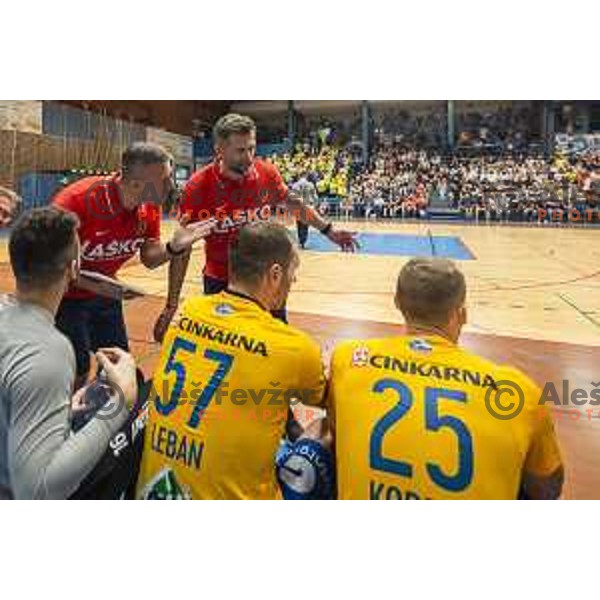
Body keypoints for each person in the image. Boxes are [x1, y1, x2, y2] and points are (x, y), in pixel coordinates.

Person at [327, 257, 564, 500]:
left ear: (397, 303)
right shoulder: (518, 390)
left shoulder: (347, 359)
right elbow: (547, 490)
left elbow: (336, 436)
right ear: (462, 314)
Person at [136, 222, 326, 499]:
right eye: (292, 272)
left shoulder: (187, 311)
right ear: (275, 274)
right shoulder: (293, 347)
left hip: (157, 491)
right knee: (322, 433)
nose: (293, 281)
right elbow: (329, 399)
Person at [153, 113, 358, 340]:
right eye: (241, 151)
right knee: (225, 347)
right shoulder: (198, 187)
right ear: (219, 149)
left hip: (264, 279)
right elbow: (183, 248)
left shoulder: (266, 173)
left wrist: (328, 230)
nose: (249, 157)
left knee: (274, 342)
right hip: (221, 280)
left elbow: (293, 203)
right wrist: (171, 305)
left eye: (252, 148)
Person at [52, 142, 215, 388]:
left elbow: (150, 258)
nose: (173, 186)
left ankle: (106, 417)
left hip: (105, 292)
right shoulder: (76, 202)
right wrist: (101, 288)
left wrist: (174, 247)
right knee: (77, 370)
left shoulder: (148, 207)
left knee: (120, 365)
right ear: (137, 184)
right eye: (167, 179)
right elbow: (52, 267)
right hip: (64, 296)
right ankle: (64, 422)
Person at [0, 207, 137, 499]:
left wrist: (58, 410)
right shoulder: (48, 351)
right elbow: (37, 492)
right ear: (74, 268)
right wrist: (121, 403)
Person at [292, 173, 318, 249]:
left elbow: (292, 197)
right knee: (306, 225)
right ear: (305, 176)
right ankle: (303, 241)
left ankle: (300, 241)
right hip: (308, 206)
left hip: (298, 207)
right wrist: (314, 206)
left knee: (299, 224)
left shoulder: (295, 185)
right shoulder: (311, 185)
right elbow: (315, 197)